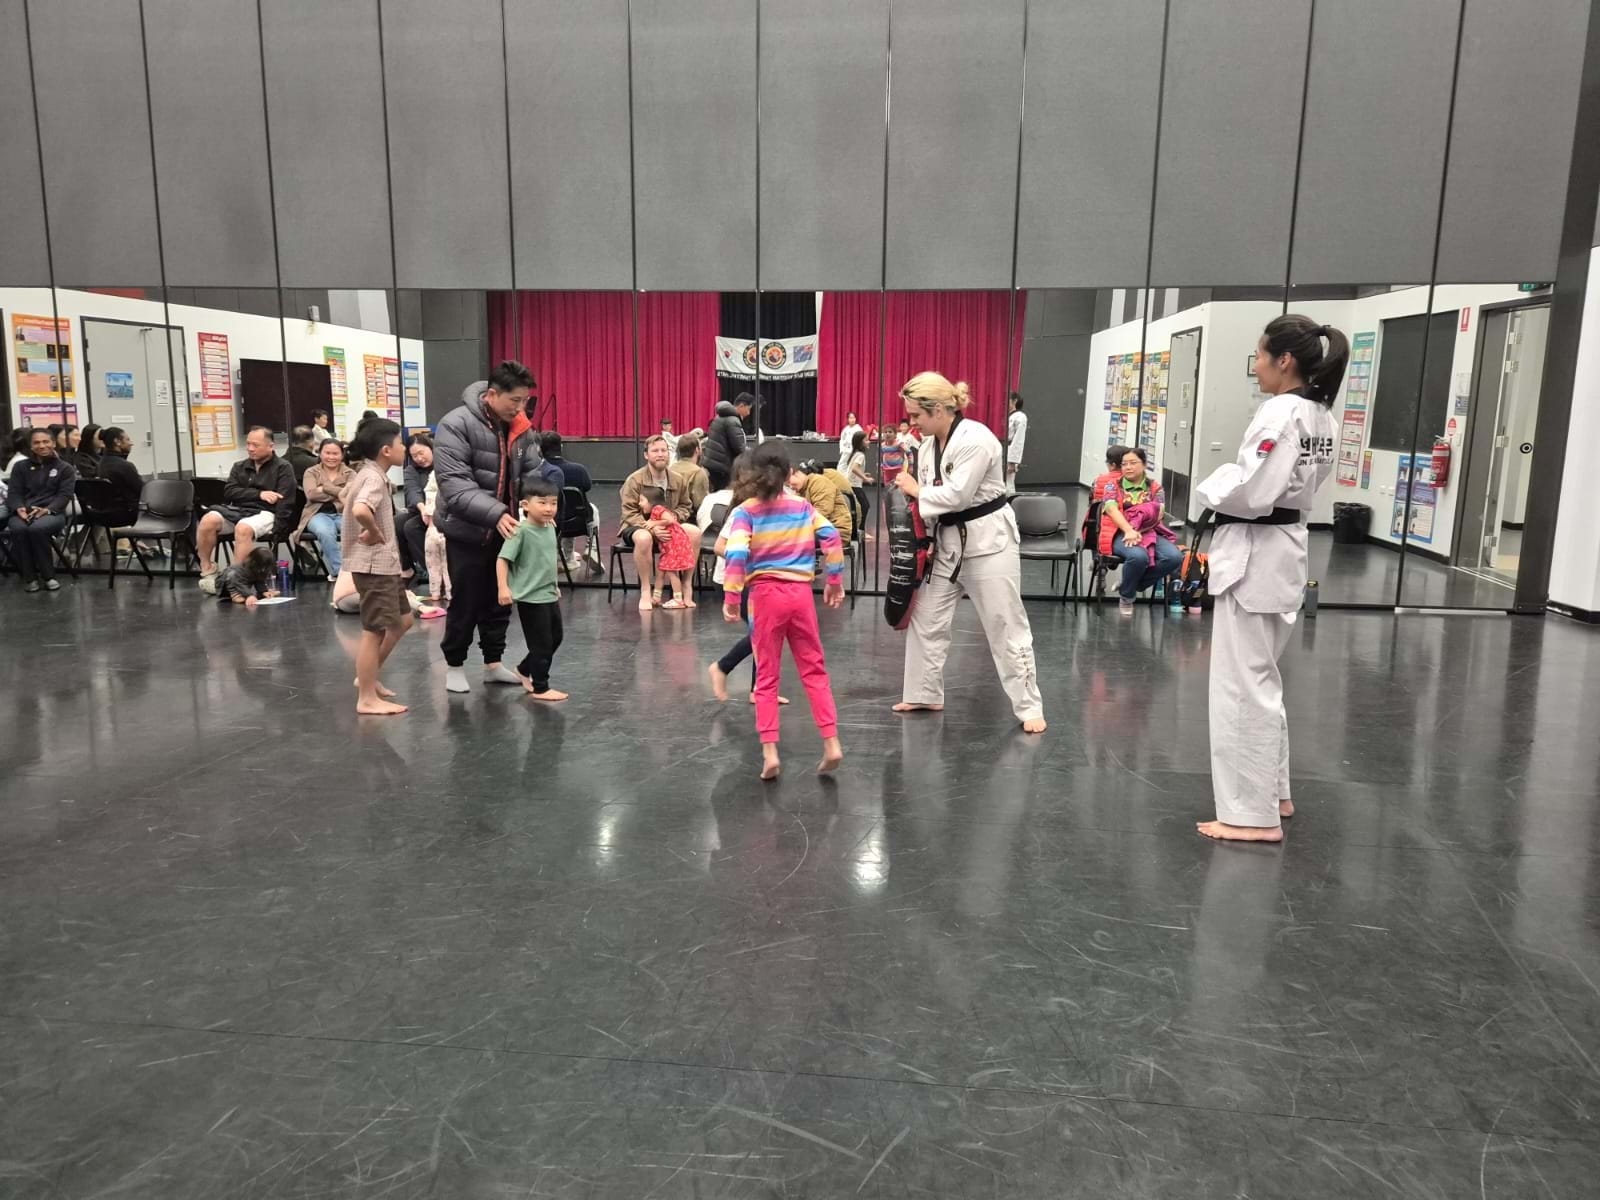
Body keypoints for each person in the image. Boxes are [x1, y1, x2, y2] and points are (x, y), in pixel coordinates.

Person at [1195, 315, 1343, 844]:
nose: (1255, 366)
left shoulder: (1280, 413)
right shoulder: (1319, 414)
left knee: (1241, 688)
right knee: (1263, 679)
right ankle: (1274, 792)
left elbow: (1252, 490)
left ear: (1285, 360)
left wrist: (1209, 488)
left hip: (1258, 554)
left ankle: (1248, 815)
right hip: (1281, 551)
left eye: (1259, 356)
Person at [893, 373, 1045, 734]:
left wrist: (915, 489)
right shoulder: (928, 446)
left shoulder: (975, 439)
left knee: (1005, 625)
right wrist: (925, 543)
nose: (912, 423)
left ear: (940, 409)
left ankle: (1029, 706)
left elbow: (959, 495)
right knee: (926, 619)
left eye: (917, 415)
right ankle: (924, 692)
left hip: (989, 543)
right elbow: (935, 501)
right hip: (947, 543)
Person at [722, 447, 845, 780]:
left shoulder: (746, 512)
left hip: (765, 596)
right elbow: (832, 536)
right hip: (801, 595)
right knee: (814, 670)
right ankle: (831, 742)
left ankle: (770, 752)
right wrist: (834, 581)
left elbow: (734, 553)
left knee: (766, 677)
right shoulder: (802, 506)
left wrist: (732, 597)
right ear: (788, 472)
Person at [432, 361, 544, 695]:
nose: (520, 407)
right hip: (466, 530)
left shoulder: (520, 426)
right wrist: (496, 513)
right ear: (492, 394)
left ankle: (493, 664)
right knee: (466, 600)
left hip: (506, 530)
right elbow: (454, 485)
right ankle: (454, 665)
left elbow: (533, 471)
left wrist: (539, 501)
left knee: (500, 601)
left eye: (525, 400)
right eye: (514, 400)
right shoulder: (456, 424)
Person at [343, 418, 414, 716]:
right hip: (374, 567)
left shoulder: (371, 474)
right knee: (374, 631)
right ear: (386, 450)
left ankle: (367, 679)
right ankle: (367, 698)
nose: (405, 447)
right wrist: (372, 531)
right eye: (401, 443)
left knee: (403, 621)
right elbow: (361, 509)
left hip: (384, 565)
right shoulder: (373, 478)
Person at [495, 477, 568, 702]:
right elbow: (502, 559)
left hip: (547, 594)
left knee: (556, 637)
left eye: (553, 503)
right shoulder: (521, 532)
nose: (549, 509)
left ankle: (524, 669)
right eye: (543, 503)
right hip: (530, 597)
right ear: (526, 505)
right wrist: (503, 588)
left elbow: (546, 560)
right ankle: (541, 687)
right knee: (542, 643)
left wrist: (554, 586)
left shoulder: (549, 528)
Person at [195, 426, 296, 576]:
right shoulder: (239, 466)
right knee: (208, 520)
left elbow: (285, 501)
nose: (250, 448)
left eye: (255, 445)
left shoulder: (283, 468)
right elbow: (230, 492)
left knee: (243, 528)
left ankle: (236, 577)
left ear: (270, 446)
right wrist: (259, 494)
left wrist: (279, 529)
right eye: (248, 444)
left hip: (266, 512)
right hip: (238, 510)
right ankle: (207, 568)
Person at [620, 434, 702, 612]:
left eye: (664, 450)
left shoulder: (678, 479)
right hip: (640, 525)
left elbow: (685, 506)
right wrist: (651, 528)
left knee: (694, 532)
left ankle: (687, 584)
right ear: (646, 455)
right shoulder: (635, 480)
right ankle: (645, 589)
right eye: (655, 450)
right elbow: (629, 513)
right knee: (643, 539)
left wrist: (669, 521)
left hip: (669, 525)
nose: (660, 454)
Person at [1097, 446, 1182, 616]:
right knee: (1138, 556)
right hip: (1118, 533)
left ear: (1144, 464)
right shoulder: (1112, 486)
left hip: (1149, 532)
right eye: (1124, 464)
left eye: (1133, 463)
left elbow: (1159, 513)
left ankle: (1131, 583)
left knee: (1174, 557)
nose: (1128, 467)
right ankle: (1127, 597)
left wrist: (1139, 529)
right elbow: (1111, 509)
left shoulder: (1155, 488)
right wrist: (1129, 530)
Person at [5, 428, 77, 592]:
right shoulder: (20, 467)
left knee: (37, 529)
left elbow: (64, 496)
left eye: (45, 441)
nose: (41, 446)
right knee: (19, 528)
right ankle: (29, 577)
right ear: (30, 446)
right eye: (36, 442)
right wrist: (18, 508)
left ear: (53, 443)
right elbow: (14, 492)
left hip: (52, 513)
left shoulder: (65, 468)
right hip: (24, 512)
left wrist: (47, 510)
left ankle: (48, 576)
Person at [295, 438, 354, 580]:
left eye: (335, 453)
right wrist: (339, 492)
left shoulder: (350, 473)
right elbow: (311, 494)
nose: (331, 457)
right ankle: (340, 573)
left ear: (342, 455)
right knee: (325, 531)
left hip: (343, 513)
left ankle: (358, 570)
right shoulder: (311, 472)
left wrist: (325, 488)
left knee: (357, 529)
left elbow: (351, 495)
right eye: (327, 453)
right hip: (316, 514)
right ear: (320, 453)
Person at [539, 431, 597, 570]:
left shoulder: (539, 471)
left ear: (540, 449)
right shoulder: (578, 470)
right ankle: (591, 547)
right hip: (577, 522)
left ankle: (563, 556)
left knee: (565, 508)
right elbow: (587, 486)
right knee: (591, 509)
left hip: (548, 521)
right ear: (561, 447)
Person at [787, 461, 853, 548]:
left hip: (836, 532)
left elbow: (821, 513)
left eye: (789, 482)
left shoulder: (818, 481)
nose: (790, 487)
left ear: (797, 473)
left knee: (788, 541)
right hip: (821, 530)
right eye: (787, 486)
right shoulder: (802, 490)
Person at [398, 432, 434, 587]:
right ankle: (408, 568)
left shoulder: (445, 463)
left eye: (421, 453)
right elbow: (412, 491)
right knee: (397, 522)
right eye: (414, 456)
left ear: (430, 448)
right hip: (421, 509)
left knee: (411, 527)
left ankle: (434, 570)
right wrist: (422, 507)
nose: (419, 458)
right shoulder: (410, 470)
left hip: (441, 509)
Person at [702, 394, 752, 490]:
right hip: (723, 468)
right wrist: (752, 452)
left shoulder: (719, 417)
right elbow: (739, 448)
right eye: (748, 409)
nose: (749, 413)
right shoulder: (733, 421)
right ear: (741, 406)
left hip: (713, 464)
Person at [212, 545, 278, 608]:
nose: (265, 570)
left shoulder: (258, 570)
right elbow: (238, 582)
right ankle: (235, 594)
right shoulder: (244, 570)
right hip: (223, 585)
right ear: (255, 563)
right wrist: (249, 595)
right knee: (232, 575)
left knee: (236, 578)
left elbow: (259, 580)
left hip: (240, 583)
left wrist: (264, 591)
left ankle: (239, 592)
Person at [96, 427, 145, 510]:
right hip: (129, 511)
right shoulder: (125, 466)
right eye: (128, 440)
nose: (131, 443)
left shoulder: (101, 463)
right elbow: (143, 490)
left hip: (109, 511)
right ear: (117, 442)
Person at [670, 433, 712, 517]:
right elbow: (700, 504)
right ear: (697, 450)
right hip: (689, 519)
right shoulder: (699, 472)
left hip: (669, 516)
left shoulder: (669, 469)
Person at [843, 429, 874, 538]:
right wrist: (865, 478)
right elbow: (854, 469)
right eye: (866, 440)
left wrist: (864, 473)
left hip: (850, 484)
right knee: (865, 506)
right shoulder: (860, 455)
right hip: (854, 485)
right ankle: (860, 531)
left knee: (859, 507)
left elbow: (853, 468)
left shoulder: (855, 454)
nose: (869, 441)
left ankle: (856, 530)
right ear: (860, 442)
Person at [1006, 393, 1027, 494]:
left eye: (1008, 400)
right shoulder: (1008, 415)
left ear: (1014, 401)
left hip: (1010, 451)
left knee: (1008, 484)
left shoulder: (1020, 417)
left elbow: (1019, 439)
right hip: (1003, 450)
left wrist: (1013, 461)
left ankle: (1011, 505)